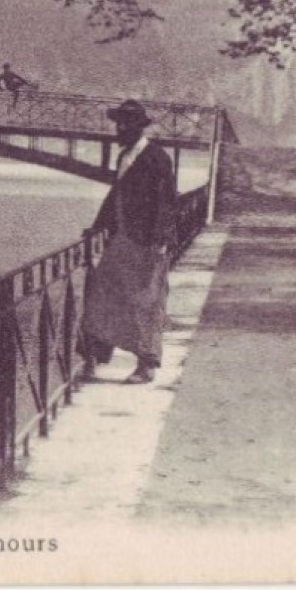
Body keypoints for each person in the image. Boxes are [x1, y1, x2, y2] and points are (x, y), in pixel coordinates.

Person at [80, 99, 177, 385]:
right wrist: (98, 226)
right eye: (119, 123)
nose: (120, 128)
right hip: (122, 238)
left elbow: (167, 201)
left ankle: (146, 365)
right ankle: (94, 358)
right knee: (102, 294)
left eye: (126, 124)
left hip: (146, 241)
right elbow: (116, 195)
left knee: (144, 302)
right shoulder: (125, 156)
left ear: (138, 127)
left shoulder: (156, 157)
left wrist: (160, 239)